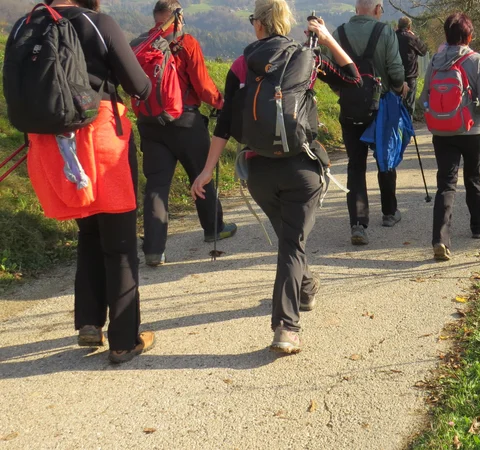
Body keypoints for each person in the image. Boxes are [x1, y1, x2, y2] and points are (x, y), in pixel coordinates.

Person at [191, 0, 361, 353]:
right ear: (285, 22)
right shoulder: (306, 57)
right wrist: (327, 38)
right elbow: (353, 80)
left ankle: (306, 288)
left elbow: (224, 124)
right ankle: (285, 327)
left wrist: (206, 171)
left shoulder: (240, 65)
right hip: (302, 169)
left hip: (259, 173)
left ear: (258, 25)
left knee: (290, 240)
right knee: (292, 243)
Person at [9, 0, 155, 363]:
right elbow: (139, 84)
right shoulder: (98, 23)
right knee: (119, 244)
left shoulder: (24, 26)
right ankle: (124, 341)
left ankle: (90, 322)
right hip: (101, 140)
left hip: (54, 146)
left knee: (89, 232)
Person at [138, 0, 237, 267]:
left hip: (150, 123)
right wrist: (221, 103)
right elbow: (203, 85)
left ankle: (154, 250)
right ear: (177, 18)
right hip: (185, 121)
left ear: (157, 18)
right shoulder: (185, 42)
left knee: (157, 186)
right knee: (201, 175)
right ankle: (214, 229)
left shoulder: (143, 44)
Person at [420, 12, 480, 261]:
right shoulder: (477, 60)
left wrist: (434, 113)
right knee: (473, 178)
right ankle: (478, 227)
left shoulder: (435, 60)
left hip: (442, 131)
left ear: (447, 35)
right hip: (474, 130)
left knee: (446, 183)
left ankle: (440, 239)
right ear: (469, 36)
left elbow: (423, 97)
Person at [331, 0, 409, 246]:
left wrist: (343, 92)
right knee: (385, 157)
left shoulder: (338, 33)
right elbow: (396, 70)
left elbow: (327, 69)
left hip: (350, 107)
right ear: (377, 9)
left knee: (356, 165)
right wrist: (400, 87)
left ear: (356, 9)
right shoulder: (385, 31)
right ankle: (389, 212)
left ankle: (358, 224)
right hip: (381, 106)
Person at [396, 16, 428, 114]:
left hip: (394, 77)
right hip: (410, 77)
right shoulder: (411, 38)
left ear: (398, 26)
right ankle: (408, 127)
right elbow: (423, 51)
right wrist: (415, 37)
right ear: (409, 27)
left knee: (395, 106)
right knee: (409, 107)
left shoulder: (392, 37)